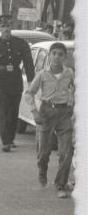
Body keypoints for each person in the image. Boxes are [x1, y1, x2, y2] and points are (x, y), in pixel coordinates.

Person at [24, 42, 74, 198]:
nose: (57, 57)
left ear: (65, 57)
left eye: (60, 54)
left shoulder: (69, 73)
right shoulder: (42, 74)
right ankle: (42, 170)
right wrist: (34, 112)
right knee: (44, 151)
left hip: (64, 113)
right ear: (50, 56)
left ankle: (60, 184)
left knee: (66, 152)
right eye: (54, 53)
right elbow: (29, 93)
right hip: (46, 112)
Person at [0, 14, 35, 152]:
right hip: (0, 82)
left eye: (8, 26)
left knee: (14, 112)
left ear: (11, 27)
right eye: (3, 26)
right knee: (4, 112)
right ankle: (5, 141)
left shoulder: (20, 43)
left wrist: (32, 81)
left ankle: (11, 137)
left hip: (15, 80)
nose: (6, 29)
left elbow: (29, 63)